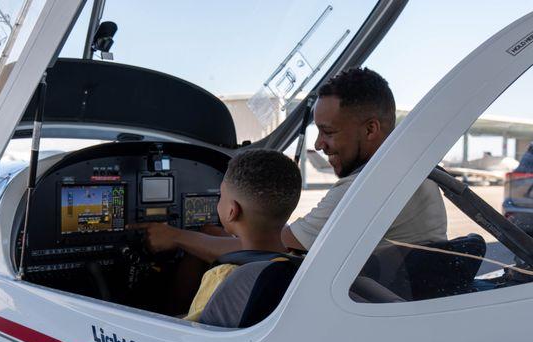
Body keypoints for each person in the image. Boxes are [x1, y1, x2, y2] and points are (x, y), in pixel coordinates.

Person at [139, 67, 447, 261]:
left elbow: (266, 249)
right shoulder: (417, 174)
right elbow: (280, 239)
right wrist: (213, 234)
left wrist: (176, 236)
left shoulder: (365, 189)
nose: (318, 144)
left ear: (370, 129)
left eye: (328, 132)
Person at [181, 149, 302, 320]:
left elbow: (192, 332)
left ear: (232, 211)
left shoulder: (222, 276)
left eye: (221, 195)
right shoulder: (303, 266)